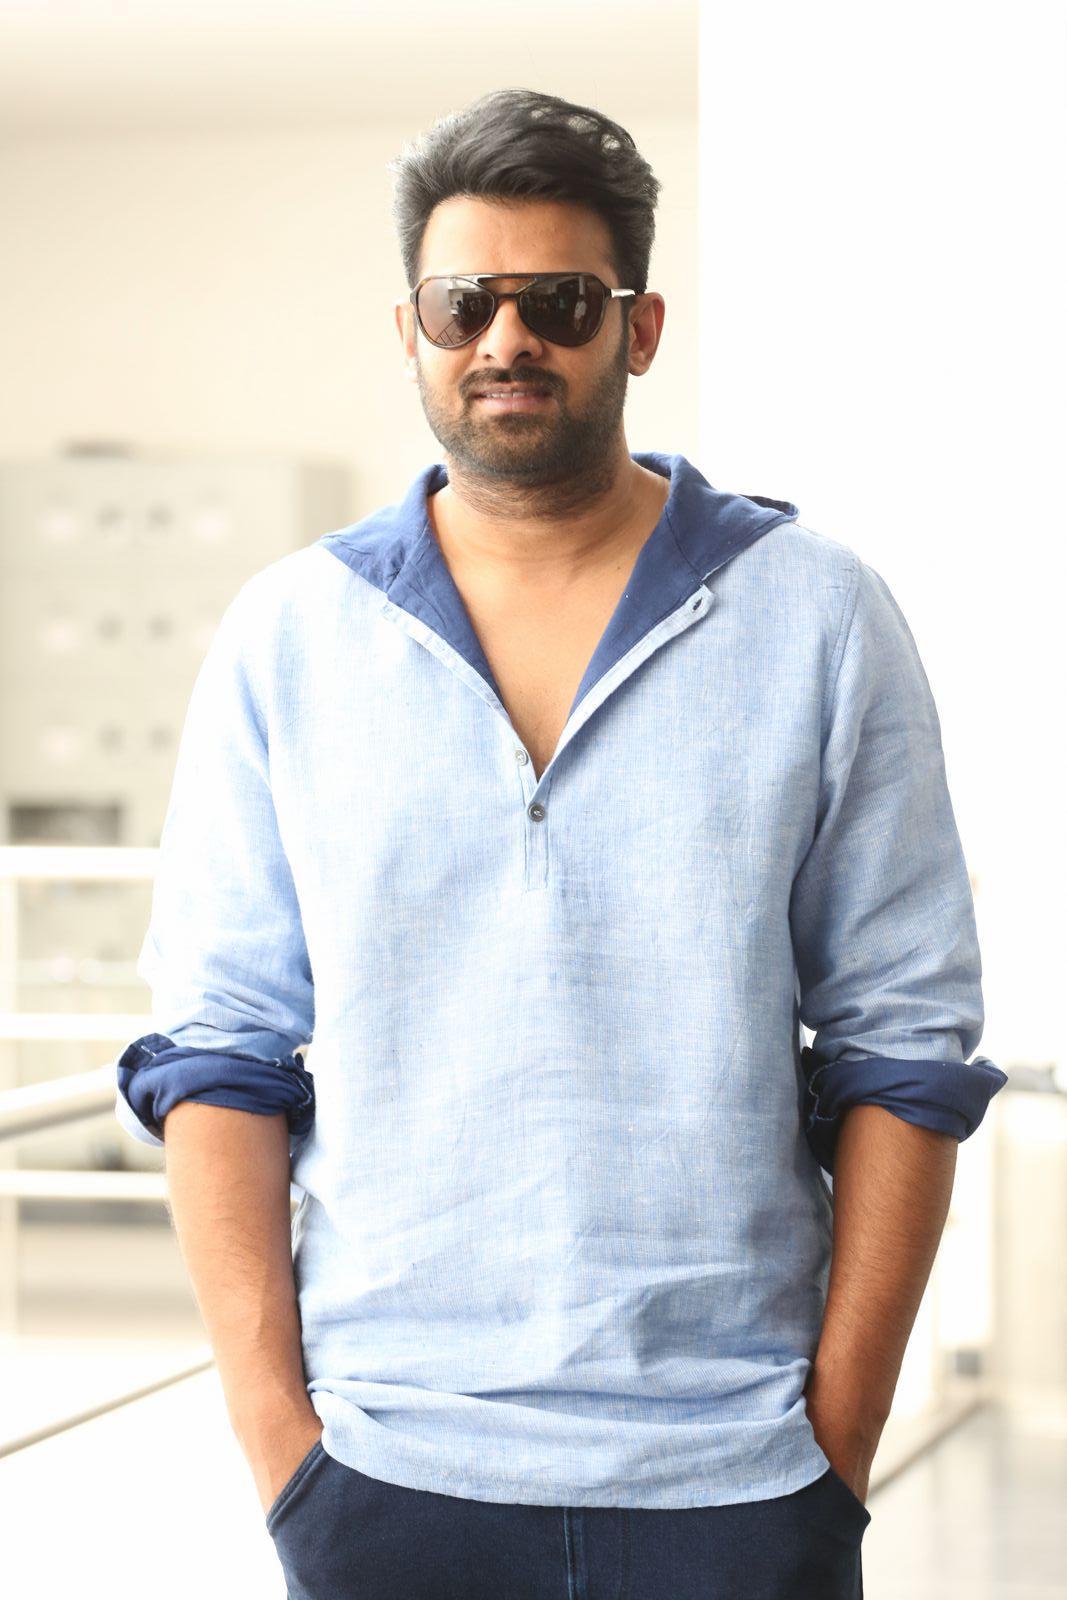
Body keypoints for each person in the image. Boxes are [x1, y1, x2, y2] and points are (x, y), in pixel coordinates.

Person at [114, 88, 1007, 1599]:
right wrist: (285, 1455)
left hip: (741, 1476)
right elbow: (219, 1050)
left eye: (561, 303)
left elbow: (904, 1044)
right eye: (464, 304)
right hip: (388, 1470)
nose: (507, 339)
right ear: (411, 332)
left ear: (638, 330)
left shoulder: (819, 613)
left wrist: (835, 1448)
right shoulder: (292, 636)